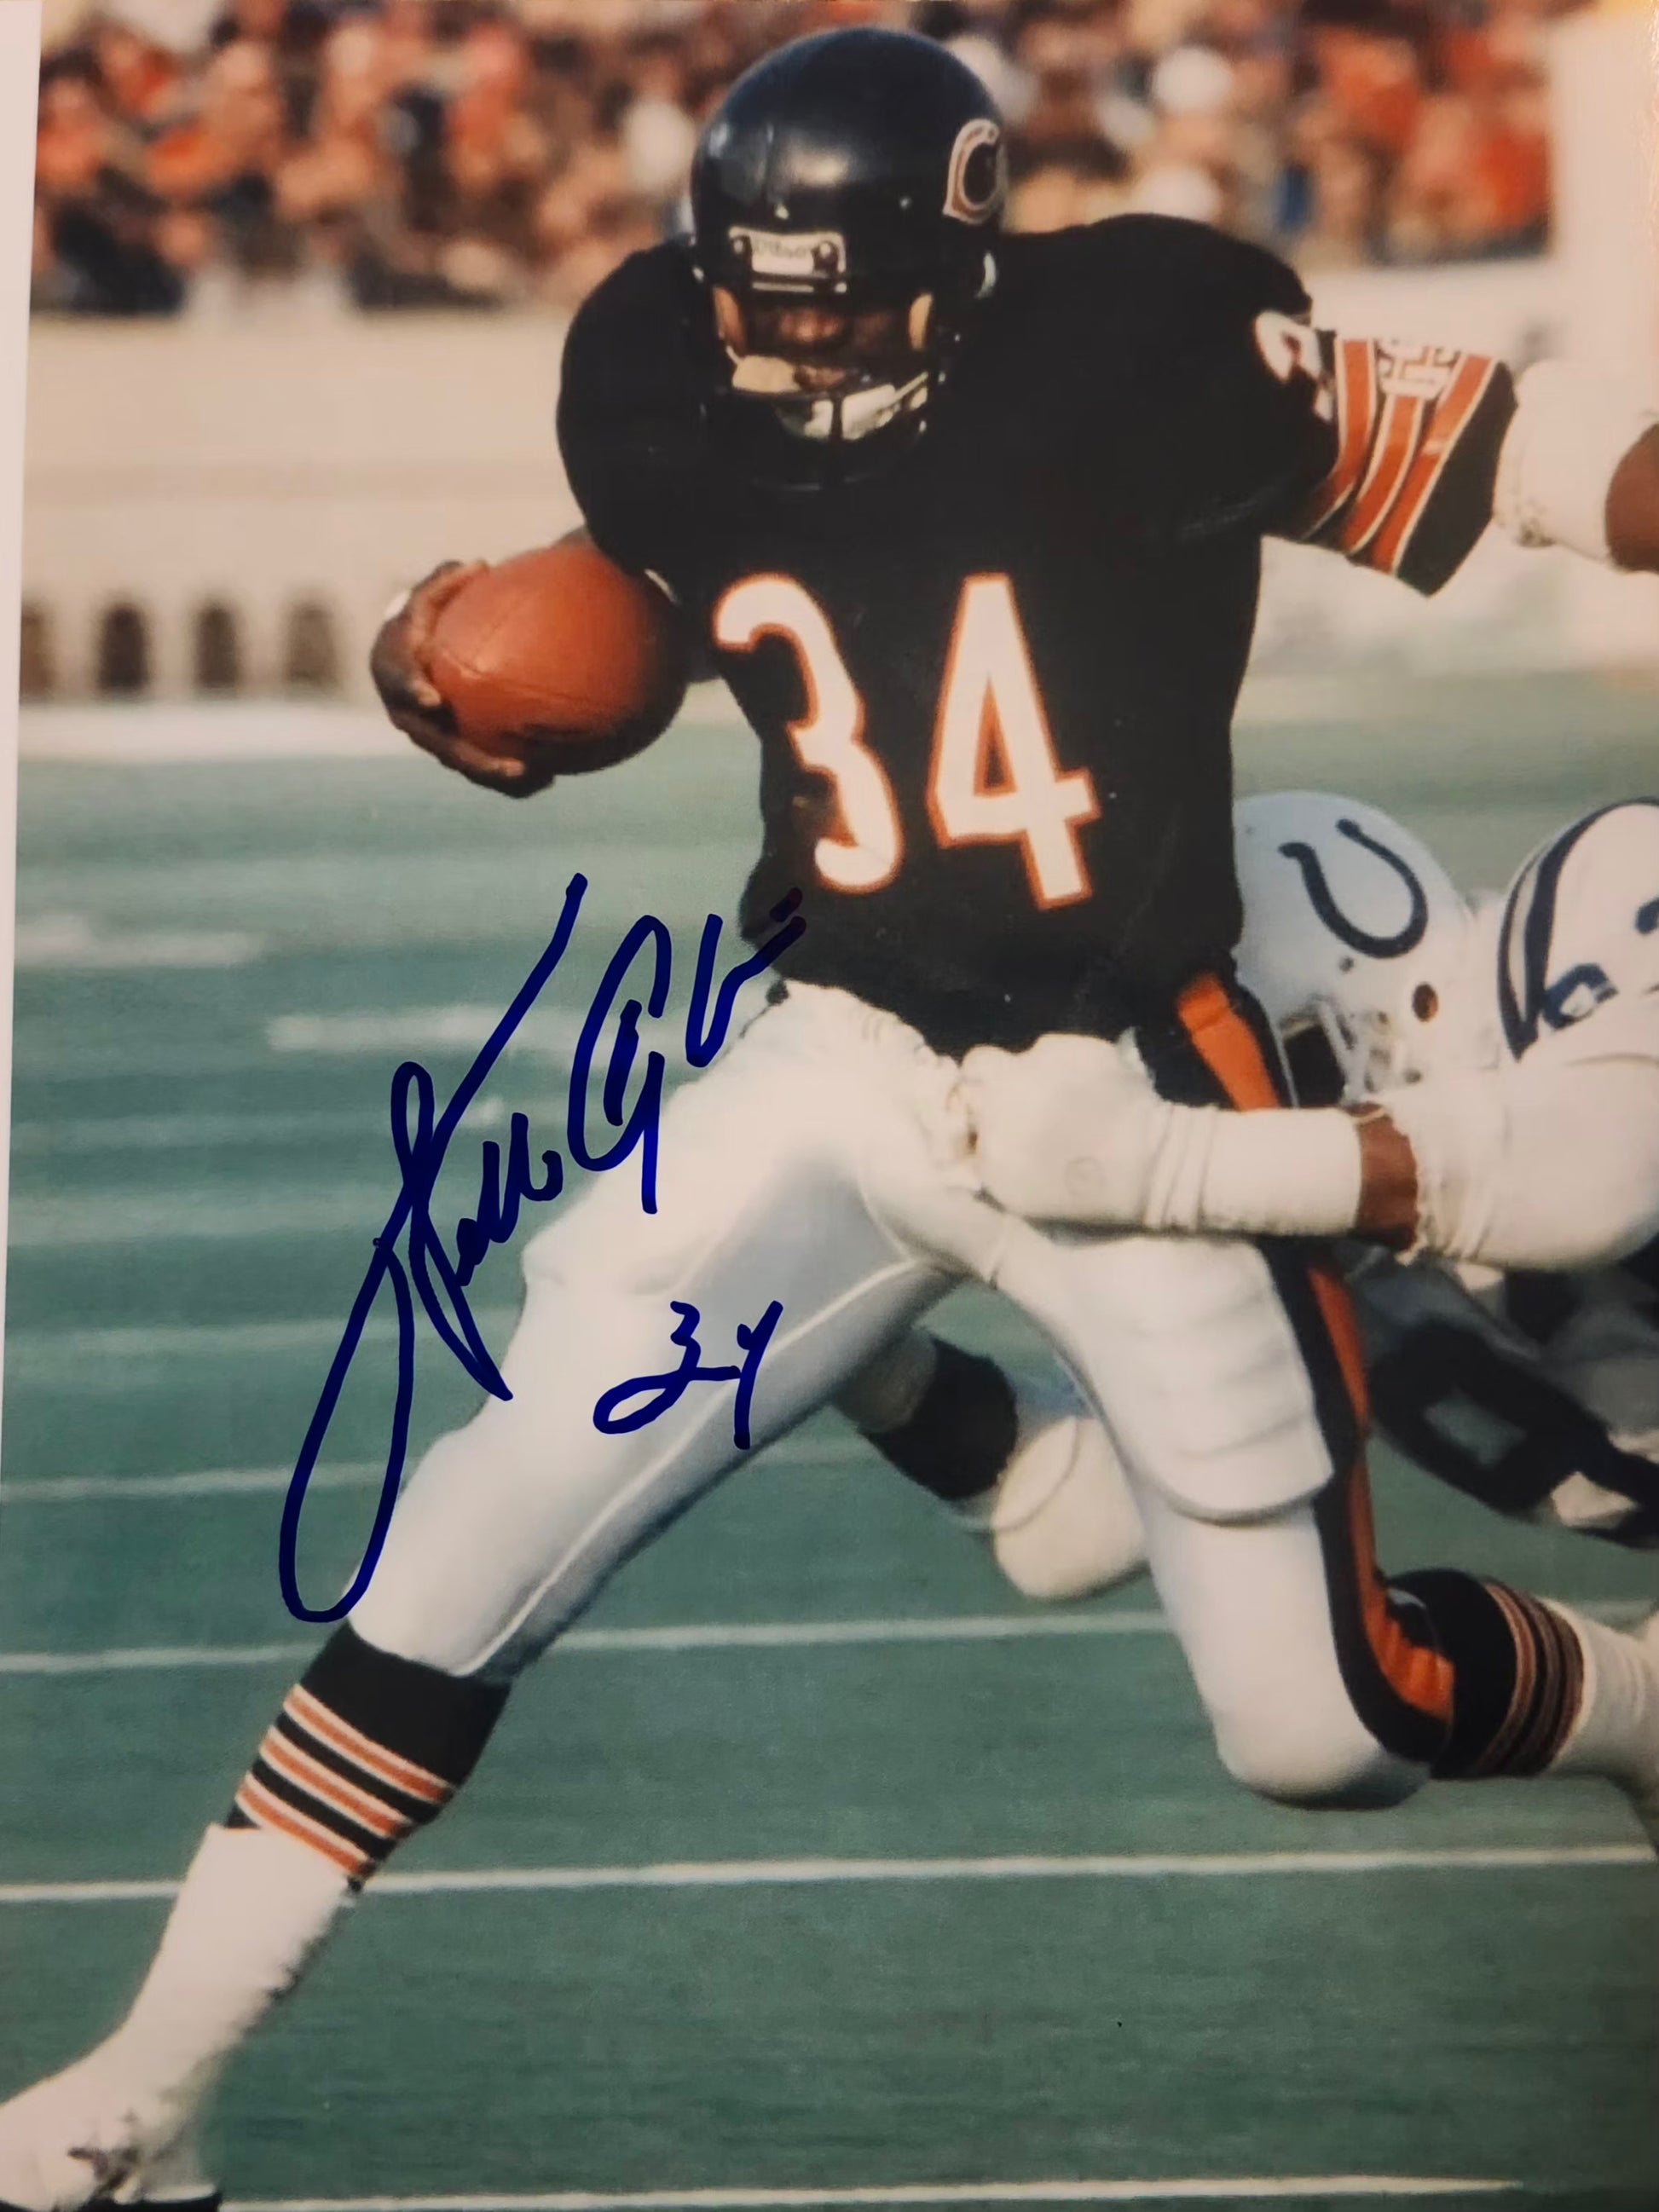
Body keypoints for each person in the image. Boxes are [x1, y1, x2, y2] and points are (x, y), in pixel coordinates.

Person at [4, 27, 1659, 2209]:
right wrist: (477, 643)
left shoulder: (1142, 345)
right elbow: (707, 590)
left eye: (832, 305)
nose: (782, 353)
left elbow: (1533, 463)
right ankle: (147, 2089)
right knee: (483, 1506)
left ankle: (1636, 1710)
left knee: (1320, 1726)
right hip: (848, 1038)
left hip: (1127, 1061)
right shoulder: (652, 362)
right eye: (746, 300)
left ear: (968, 257)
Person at [960, 789, 1659, 1557]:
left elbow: (1599, 1176)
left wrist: (1167, 1163)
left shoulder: (1602, 888)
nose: (1250, 1118)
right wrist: (882, 1378)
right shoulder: (1317, 1251)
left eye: (1286, 1071)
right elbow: (1072, 1529)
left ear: (1397, 994)